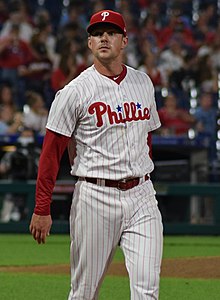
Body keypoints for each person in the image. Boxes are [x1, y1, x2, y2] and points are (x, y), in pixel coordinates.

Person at [29, 10, 163, 300]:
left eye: (111, 32)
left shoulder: (143, 83)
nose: (104, 37)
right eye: (96, 33)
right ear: (89, 43)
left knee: (147, 290)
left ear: (124, 40)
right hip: (95, 197)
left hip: (142, 195)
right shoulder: (74, 92)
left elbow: (146, 138)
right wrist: (42, 207)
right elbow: (51, 154)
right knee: (85, 292)